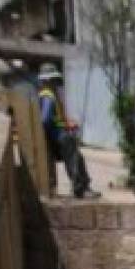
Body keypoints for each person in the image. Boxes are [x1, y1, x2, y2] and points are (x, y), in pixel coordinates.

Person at [36, 63, 99, 199]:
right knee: (74, 160)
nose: (56, 83)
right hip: (60, 137)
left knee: (79, 158)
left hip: (61, 135)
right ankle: (80, 189)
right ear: (47, 81)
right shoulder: (48, 96)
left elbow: (53, 118)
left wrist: (67, 124)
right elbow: (45, 120)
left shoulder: (49, 95)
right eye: (53, 80)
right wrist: (57, 131)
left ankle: (85, 186)